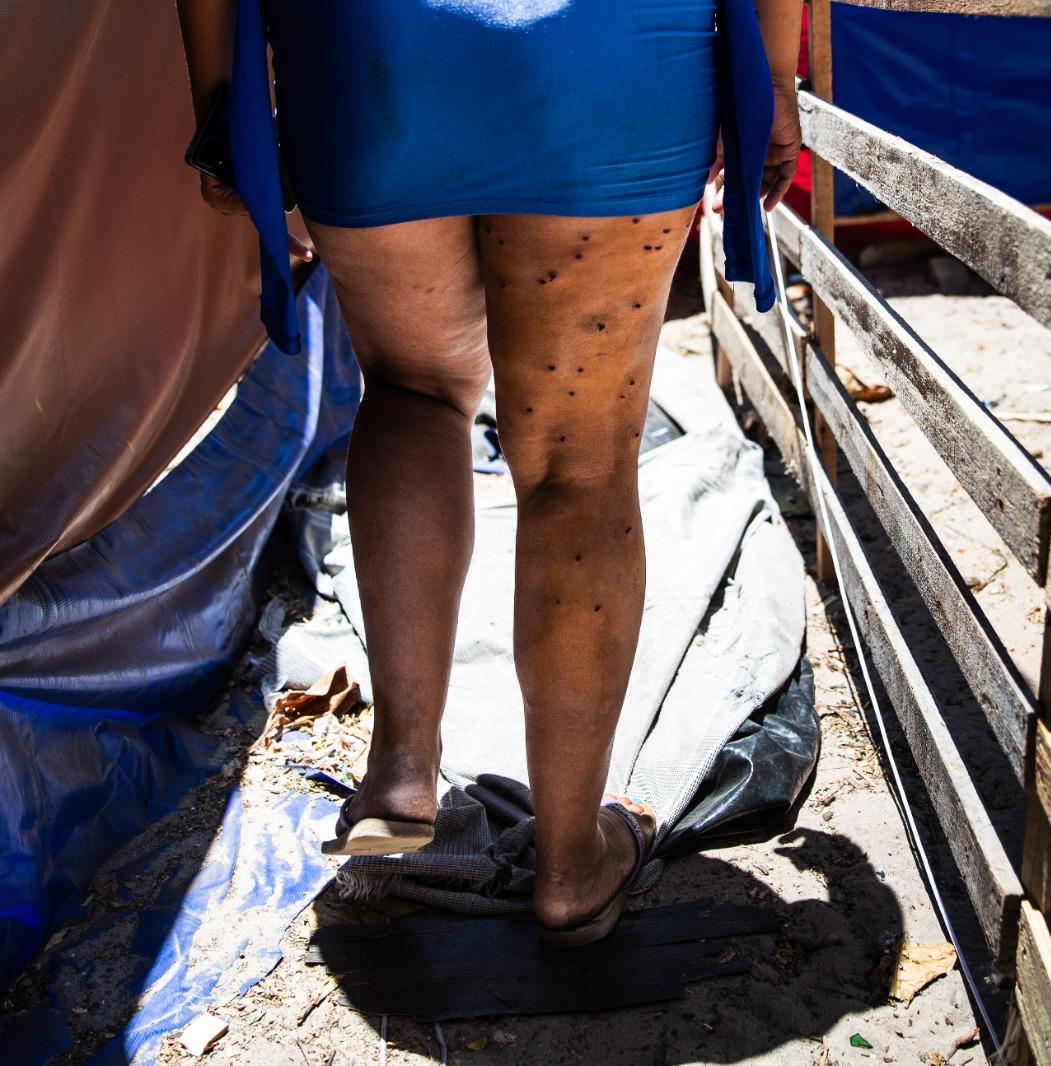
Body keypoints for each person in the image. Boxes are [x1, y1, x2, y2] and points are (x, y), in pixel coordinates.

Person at [175, 0, 801, 945]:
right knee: (578, 461)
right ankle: (571, 864)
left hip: (371, 50)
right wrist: (778, 84)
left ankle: (399, 771)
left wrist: (220, 95)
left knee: (413, 390)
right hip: (613, 57)